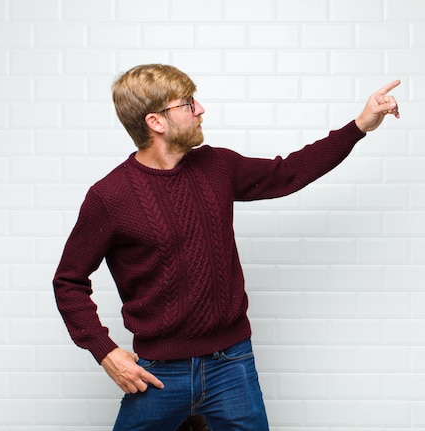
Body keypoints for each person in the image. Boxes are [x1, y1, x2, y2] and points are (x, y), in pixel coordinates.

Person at [53, 63, 399, 431]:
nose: (200, 109)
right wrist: (105, 352)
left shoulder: (216, 165)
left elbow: (289, 173)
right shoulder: (110, 197)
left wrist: (360, 125)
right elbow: (69, 281)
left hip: (231, 364)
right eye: (187, 103)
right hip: (158, 373)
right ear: (156, 122)